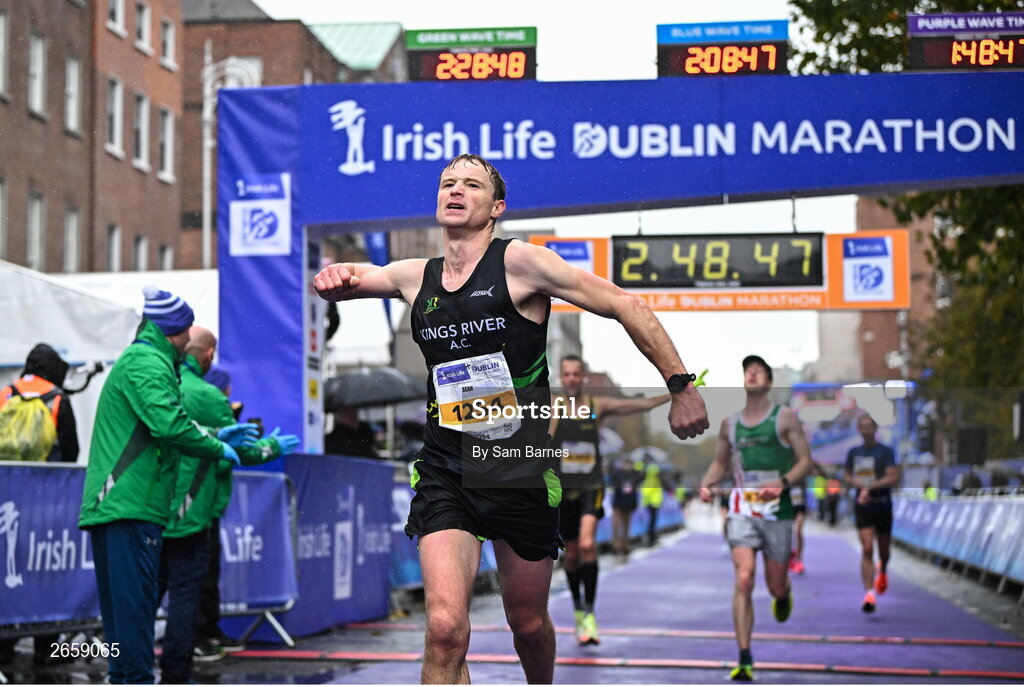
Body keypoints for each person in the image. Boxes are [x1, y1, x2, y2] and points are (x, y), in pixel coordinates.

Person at [314, 153, 709, 684]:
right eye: (447, 183)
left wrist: (680, 386)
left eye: (471, 185)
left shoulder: (522, 263)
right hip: (446, 468)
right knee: (445, 628)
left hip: (519, 469)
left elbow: (625, 304)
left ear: (496, 207)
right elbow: (364, 275)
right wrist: (336, 274)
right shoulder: (416, 277)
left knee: (527, 623)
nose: (456, 190)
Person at [78, 288, 258, 684]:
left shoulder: (147, 360)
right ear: (172, 332)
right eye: (186, 330)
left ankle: (127, 678)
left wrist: (216, 434)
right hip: (129, 506)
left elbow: (165, 422)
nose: (190, 339)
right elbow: (170, 426)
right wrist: (218, 446)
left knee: (126, 619)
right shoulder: (147, 362)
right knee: (134, 619)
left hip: (123, 505)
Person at [159, 326, 300, 681]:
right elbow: (239, 451)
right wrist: (271, 447)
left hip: (153, 505)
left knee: (148, 594)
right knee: (186, 594)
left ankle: (133, 670)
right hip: (193, 508)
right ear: (208, 355)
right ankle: (176, 672)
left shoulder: (161, 386)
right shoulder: (207, 396)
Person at [699, 355, 813, 682]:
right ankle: (745, 657)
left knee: (774, 586)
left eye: (759, 370)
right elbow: (720, 463)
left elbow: (806, 461)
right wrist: (707, 483)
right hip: (743, 508)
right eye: (747, 370)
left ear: (769, 382)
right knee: (744, 577)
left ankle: (783, 593)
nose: (752, 373)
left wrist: (783, 482)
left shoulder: (784, 417)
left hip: (777, 509)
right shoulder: (730, 423)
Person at [550, 354, 670, 645]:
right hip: (564, 490)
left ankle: (590, 614)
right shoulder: (553, 407)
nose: (572, 379)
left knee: (587, 545)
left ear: (583, 377)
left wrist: (675, 393)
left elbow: (639, 405)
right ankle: (579, 611)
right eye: (567, 374)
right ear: (561, 378)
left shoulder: (597, 406)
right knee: (572, 555)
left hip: (591, 486)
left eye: (576, 374)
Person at [0, 344, 79, 665]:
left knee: (9, 568)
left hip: (7, 500)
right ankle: (46, 646)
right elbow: (71, 452)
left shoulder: (6, 393)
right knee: (45, 571)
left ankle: (5, 645)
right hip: (46, 505)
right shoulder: (58, 398)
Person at [842, 413, 900, 614]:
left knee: (883, 548)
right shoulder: (853, 453)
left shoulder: (886, 452)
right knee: (867, 548)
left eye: (869, 426)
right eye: (862, 426)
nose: (866, 430)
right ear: (858, 429)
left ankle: (882, 569)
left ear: (875, 428)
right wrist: (857, 484)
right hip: (863, 505)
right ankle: (869, 593)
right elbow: (846, 475)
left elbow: (892, 476)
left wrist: (870, 487)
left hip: (882, 504)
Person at [609, 458, 643, 559]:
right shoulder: (618, 474)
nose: (627, 466)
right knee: (616, 525)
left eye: (629, 464)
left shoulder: (634, 475)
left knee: (626, 525)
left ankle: (625, 545)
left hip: (629, 503)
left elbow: (641, 478)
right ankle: (616, 545)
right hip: (618, 502)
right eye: (625, 464)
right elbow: (612, 477)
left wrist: (638, 470)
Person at [640, 462, 666, 546]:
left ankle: (653, 538)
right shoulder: (651, 481)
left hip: (654, 503)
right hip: (651, 504)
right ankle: (650, 538)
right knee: (651, 522)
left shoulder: (655, 481)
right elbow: (646, 492)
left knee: (653, 522)